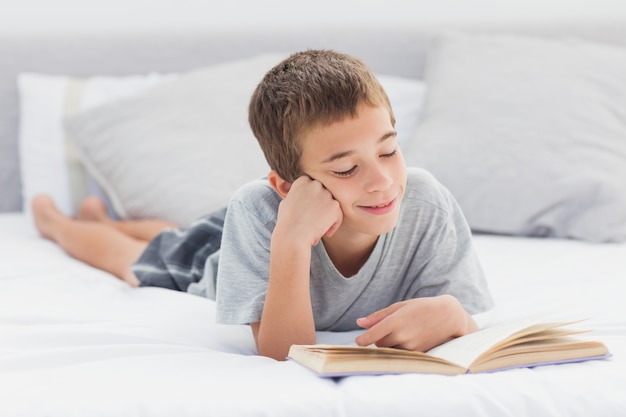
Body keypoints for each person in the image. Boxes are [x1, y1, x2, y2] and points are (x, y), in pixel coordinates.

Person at [32, 49, 493, 361]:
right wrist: (291, 239)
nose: (382, 182)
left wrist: (455, 315)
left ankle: (125, 221)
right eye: (346, 169)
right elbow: (281, 352)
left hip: (244, 227)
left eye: (388, 151)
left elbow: (460, 318)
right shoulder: (259, 211)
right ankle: (60, 223)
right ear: (289, 187)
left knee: (178, 230)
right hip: (234, 249)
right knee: (136, 259)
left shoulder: (426, 199)